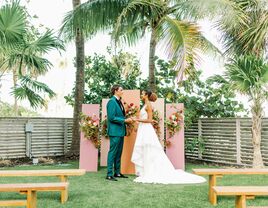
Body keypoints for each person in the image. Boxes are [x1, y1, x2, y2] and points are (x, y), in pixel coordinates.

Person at [131, 90, 206, 184]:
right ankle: (145, 170)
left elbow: (149, 120)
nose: (141, 95)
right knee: (145, 148)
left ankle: (151, 171)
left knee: (149, 148)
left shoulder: (148, 105)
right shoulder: (145, 105)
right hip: (143, 129)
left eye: (142, 94)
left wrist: (137, 120)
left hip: (146, 129)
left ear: (146, 95)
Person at [106, 84, 133, 181]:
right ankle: (109, 174)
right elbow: (111, 117)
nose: (123, 91)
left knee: (119, 153)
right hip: (114, 132)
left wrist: (127, 118)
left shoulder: (119, 102)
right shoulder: (112, 102)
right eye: (121, 90)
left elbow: (120, 116)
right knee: (112, 152)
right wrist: (125, 120)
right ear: (116, 91)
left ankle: (117, 172)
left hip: (120, 131)